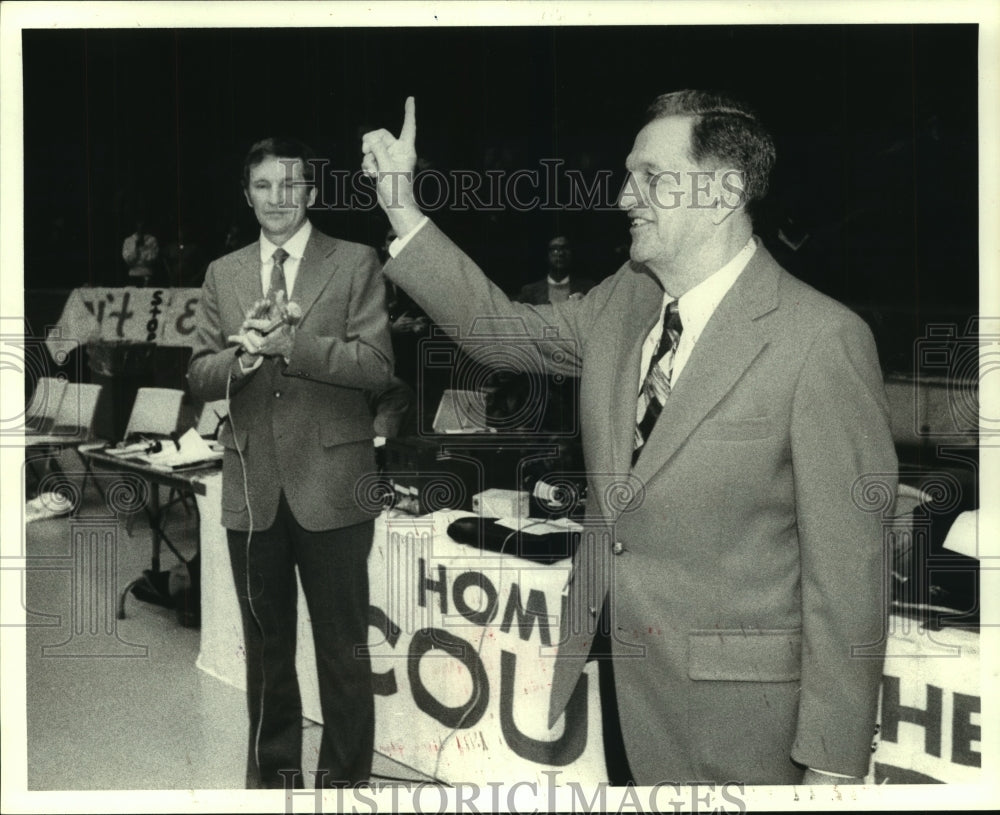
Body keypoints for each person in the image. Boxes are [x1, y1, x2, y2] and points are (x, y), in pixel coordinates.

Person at [361, 93, 897, 785]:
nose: (623, 196)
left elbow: (850, 579)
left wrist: (831, 762)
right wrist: (400, 204)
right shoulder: (625, 300)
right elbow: (500, 332)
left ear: (725, 191)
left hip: (742, 721)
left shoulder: (821, 340)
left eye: (649, 176)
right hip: (624, 689)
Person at [187, 137, 393, 788]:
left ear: (309, 192)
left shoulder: (356, 261)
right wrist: (244, 358)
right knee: (268, 658)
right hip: (253, 493)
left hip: (333, 488)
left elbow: (379, 367)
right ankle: (274, 786)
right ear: (246, 195)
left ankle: (343, 788)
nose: (278, 199)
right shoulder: (223, 273)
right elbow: (198, 372)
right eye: (264, 187)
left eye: (291, 185)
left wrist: (295, 344)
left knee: (341, 653)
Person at [514, 235, 595, 304]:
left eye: (565, 248)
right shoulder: (529, 292)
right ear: (546, 255)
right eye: (555, 249)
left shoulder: (588, 289)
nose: (560, 253)